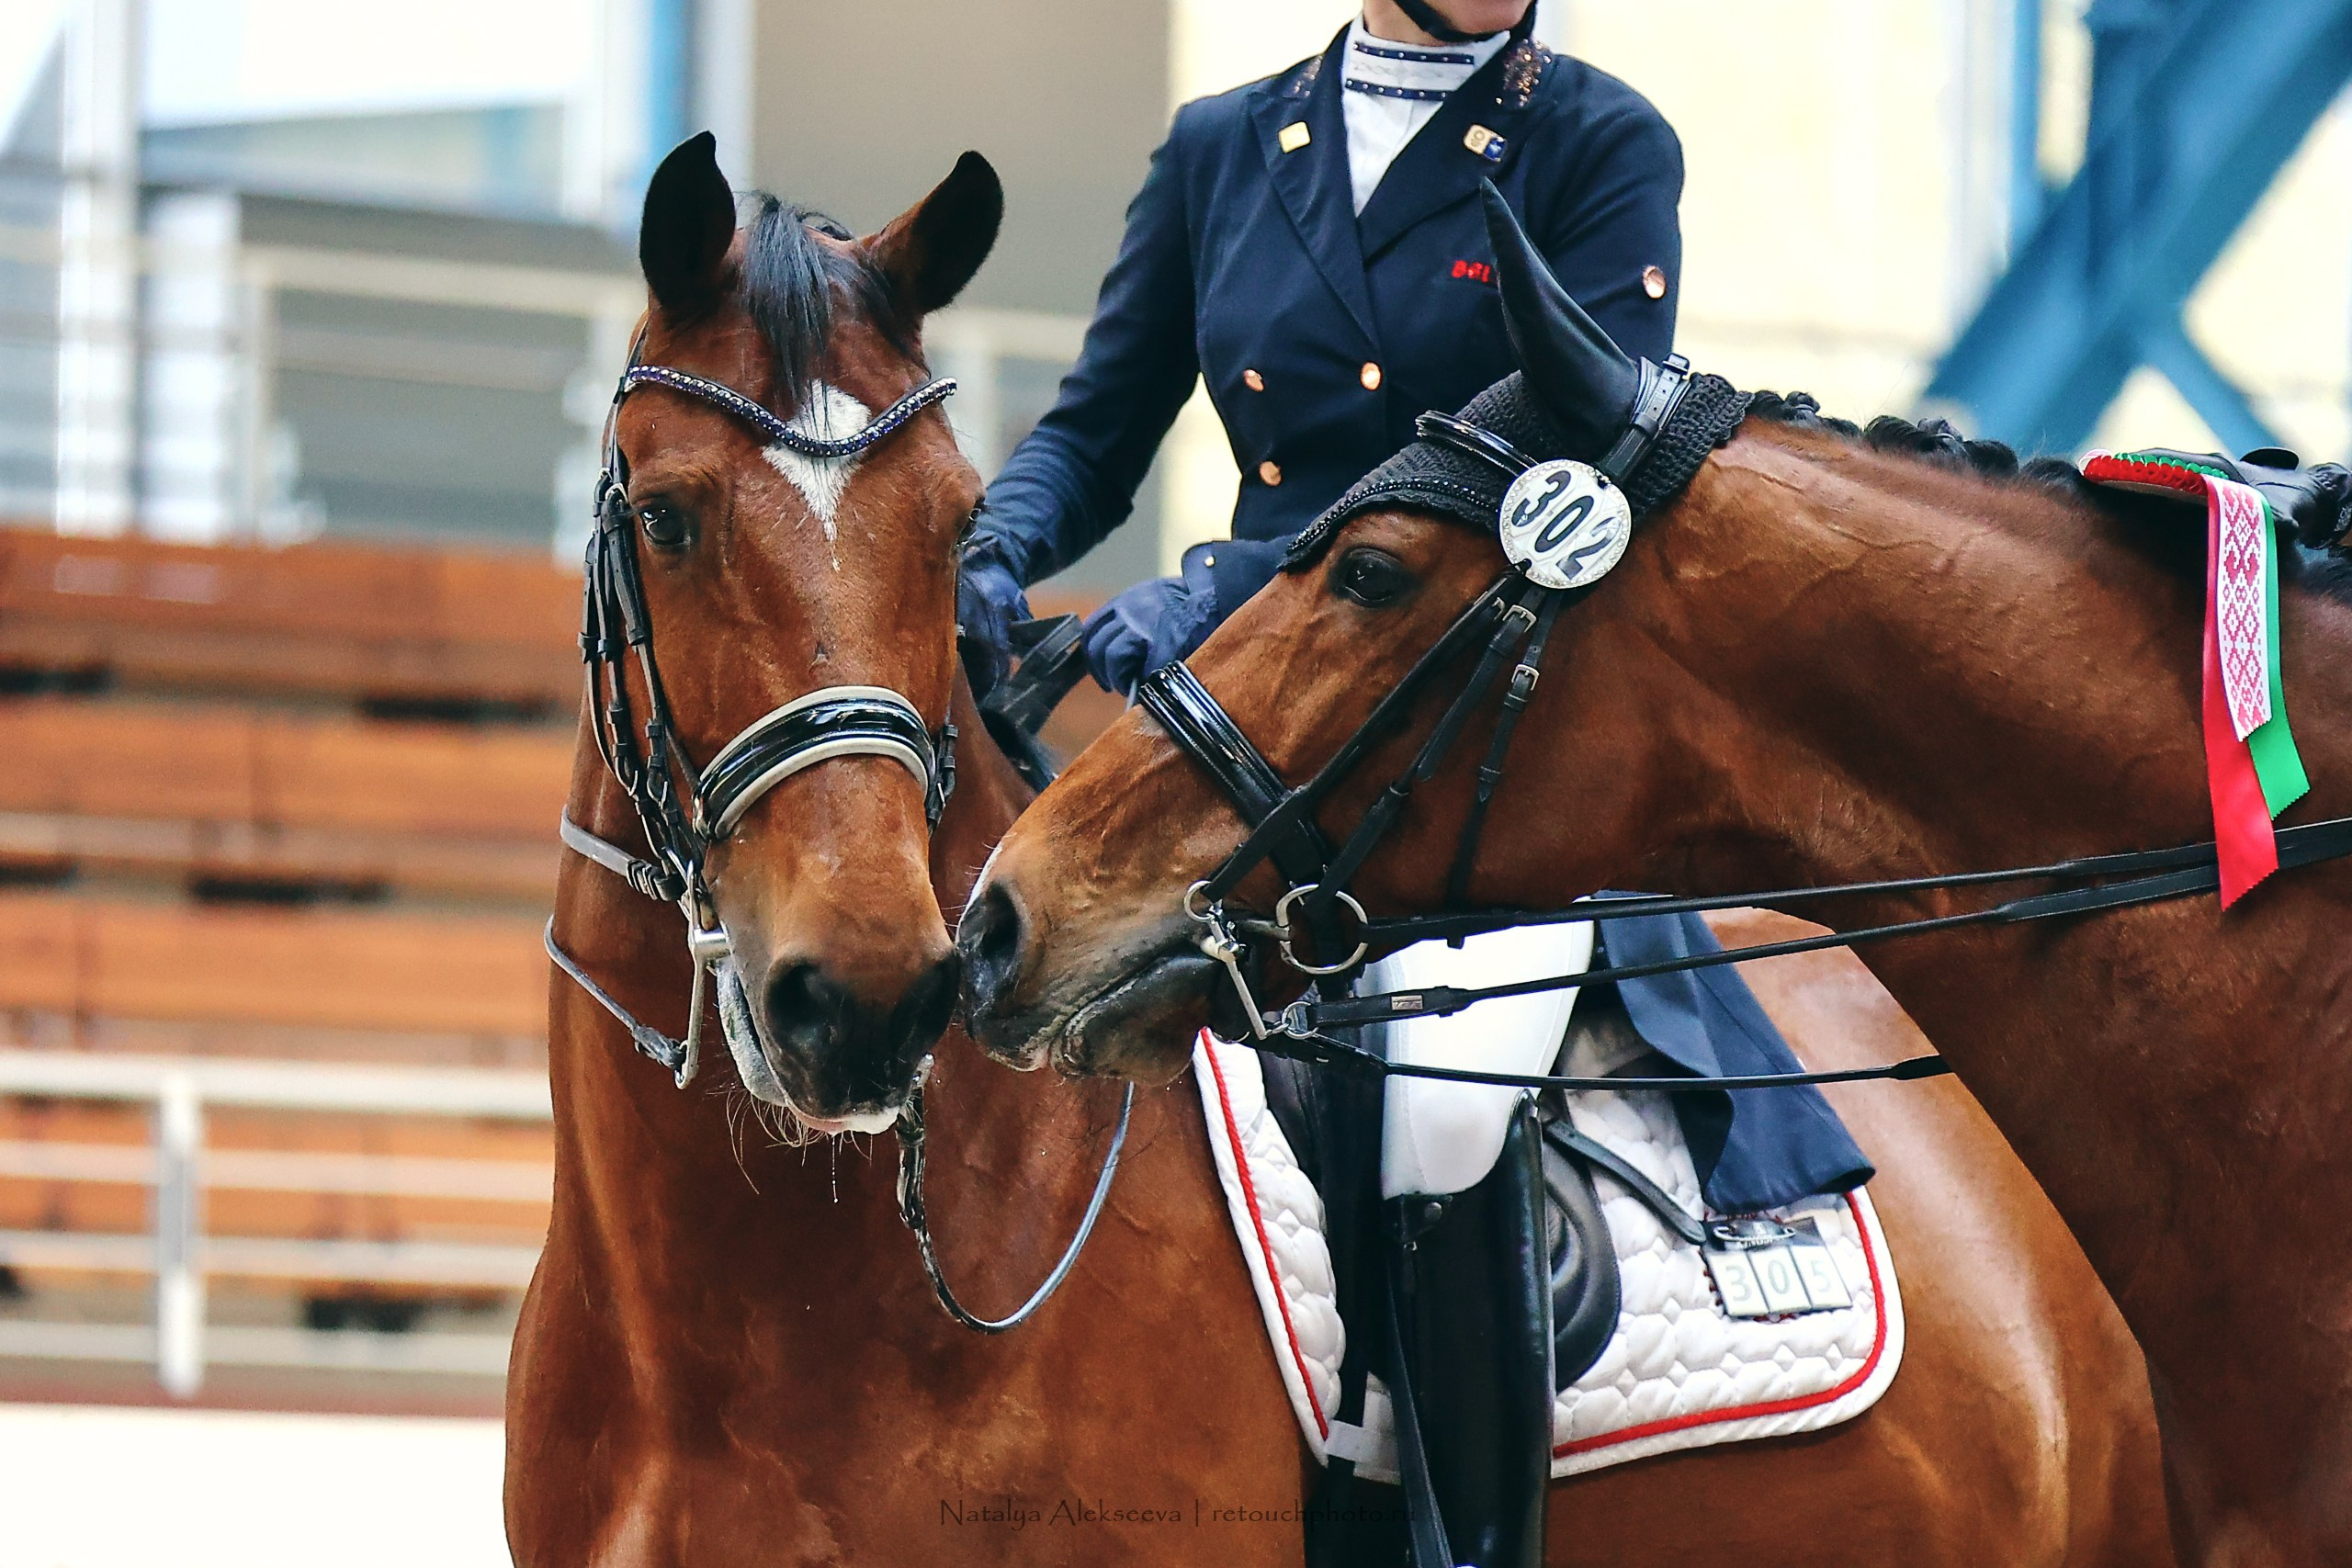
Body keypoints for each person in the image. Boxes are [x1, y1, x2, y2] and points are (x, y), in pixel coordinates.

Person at [957, 8, 1868, 1566]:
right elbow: (1099, 430)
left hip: (1479, 749)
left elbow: (1558, 451)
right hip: (1255, 735)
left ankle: (1459, 1539)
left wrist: (1216, 591)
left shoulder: (1598, 140)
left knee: (1445, 1109)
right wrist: (991, 549)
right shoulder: (1224, 147)